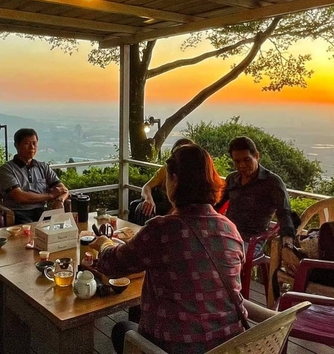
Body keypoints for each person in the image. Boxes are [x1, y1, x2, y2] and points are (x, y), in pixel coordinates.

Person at [91, 144, 277, 354]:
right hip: (229, 346)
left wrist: (103, 242)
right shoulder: (229, 229)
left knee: (121, 329)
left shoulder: (162, 229)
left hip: (176, 346)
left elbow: (111, 265)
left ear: (174, 180)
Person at [216, 136, 295, 253]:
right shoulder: (232, 179)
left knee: (221, 256)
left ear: (256, 156)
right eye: (237, 161)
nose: (242, 165)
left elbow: (285, 213)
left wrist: (287, 243)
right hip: (227, 234)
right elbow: (216, 204)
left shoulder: (272, 182)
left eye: (247, 160)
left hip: (251, 241)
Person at [0, 128, 69, 224]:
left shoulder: (43, 167)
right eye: (27, 143)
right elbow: (20, 197)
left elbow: (64, 190)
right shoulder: (6, 169)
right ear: (16, 145)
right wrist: (50, 195)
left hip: (42, 211)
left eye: (34, 143)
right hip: (19, 213)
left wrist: (60, 200)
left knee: (63, 228)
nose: (32, 147)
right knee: (33, 232)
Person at [127, 138, 195, 225]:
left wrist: (165, 219)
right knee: (135, 205)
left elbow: (183, 203)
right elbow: (147, 186)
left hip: (172, 206)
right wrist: (148, 199)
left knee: (145, 212)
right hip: (160, 200)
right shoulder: (165, 169)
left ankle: (142, 234)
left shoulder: (190, 176)